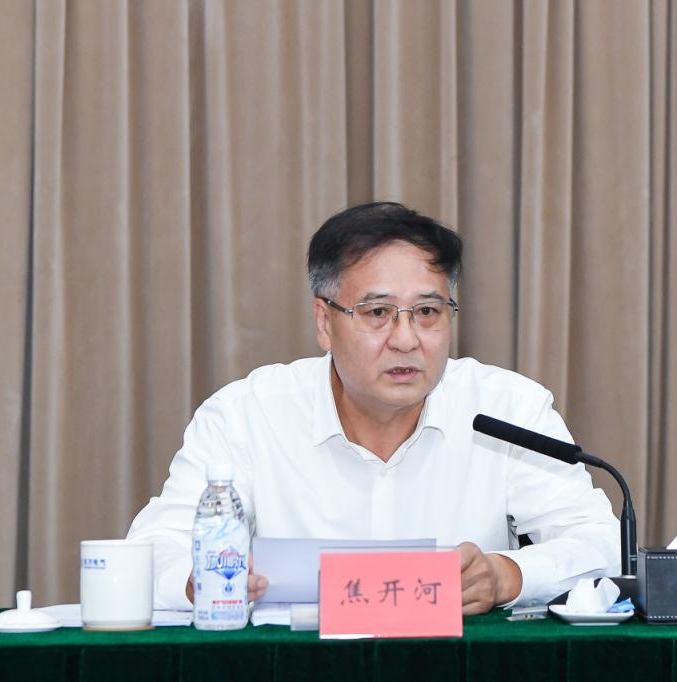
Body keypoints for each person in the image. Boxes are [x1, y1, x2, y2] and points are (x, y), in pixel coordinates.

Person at [127, 201, 620, 613]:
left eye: (427, 312)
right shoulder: (247, 415)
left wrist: (506, 574)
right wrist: (203, 579)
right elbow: (153, 552)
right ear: (325, 323)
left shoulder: (508, 410)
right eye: (378, 312)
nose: (405, 339)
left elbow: (601, 544)